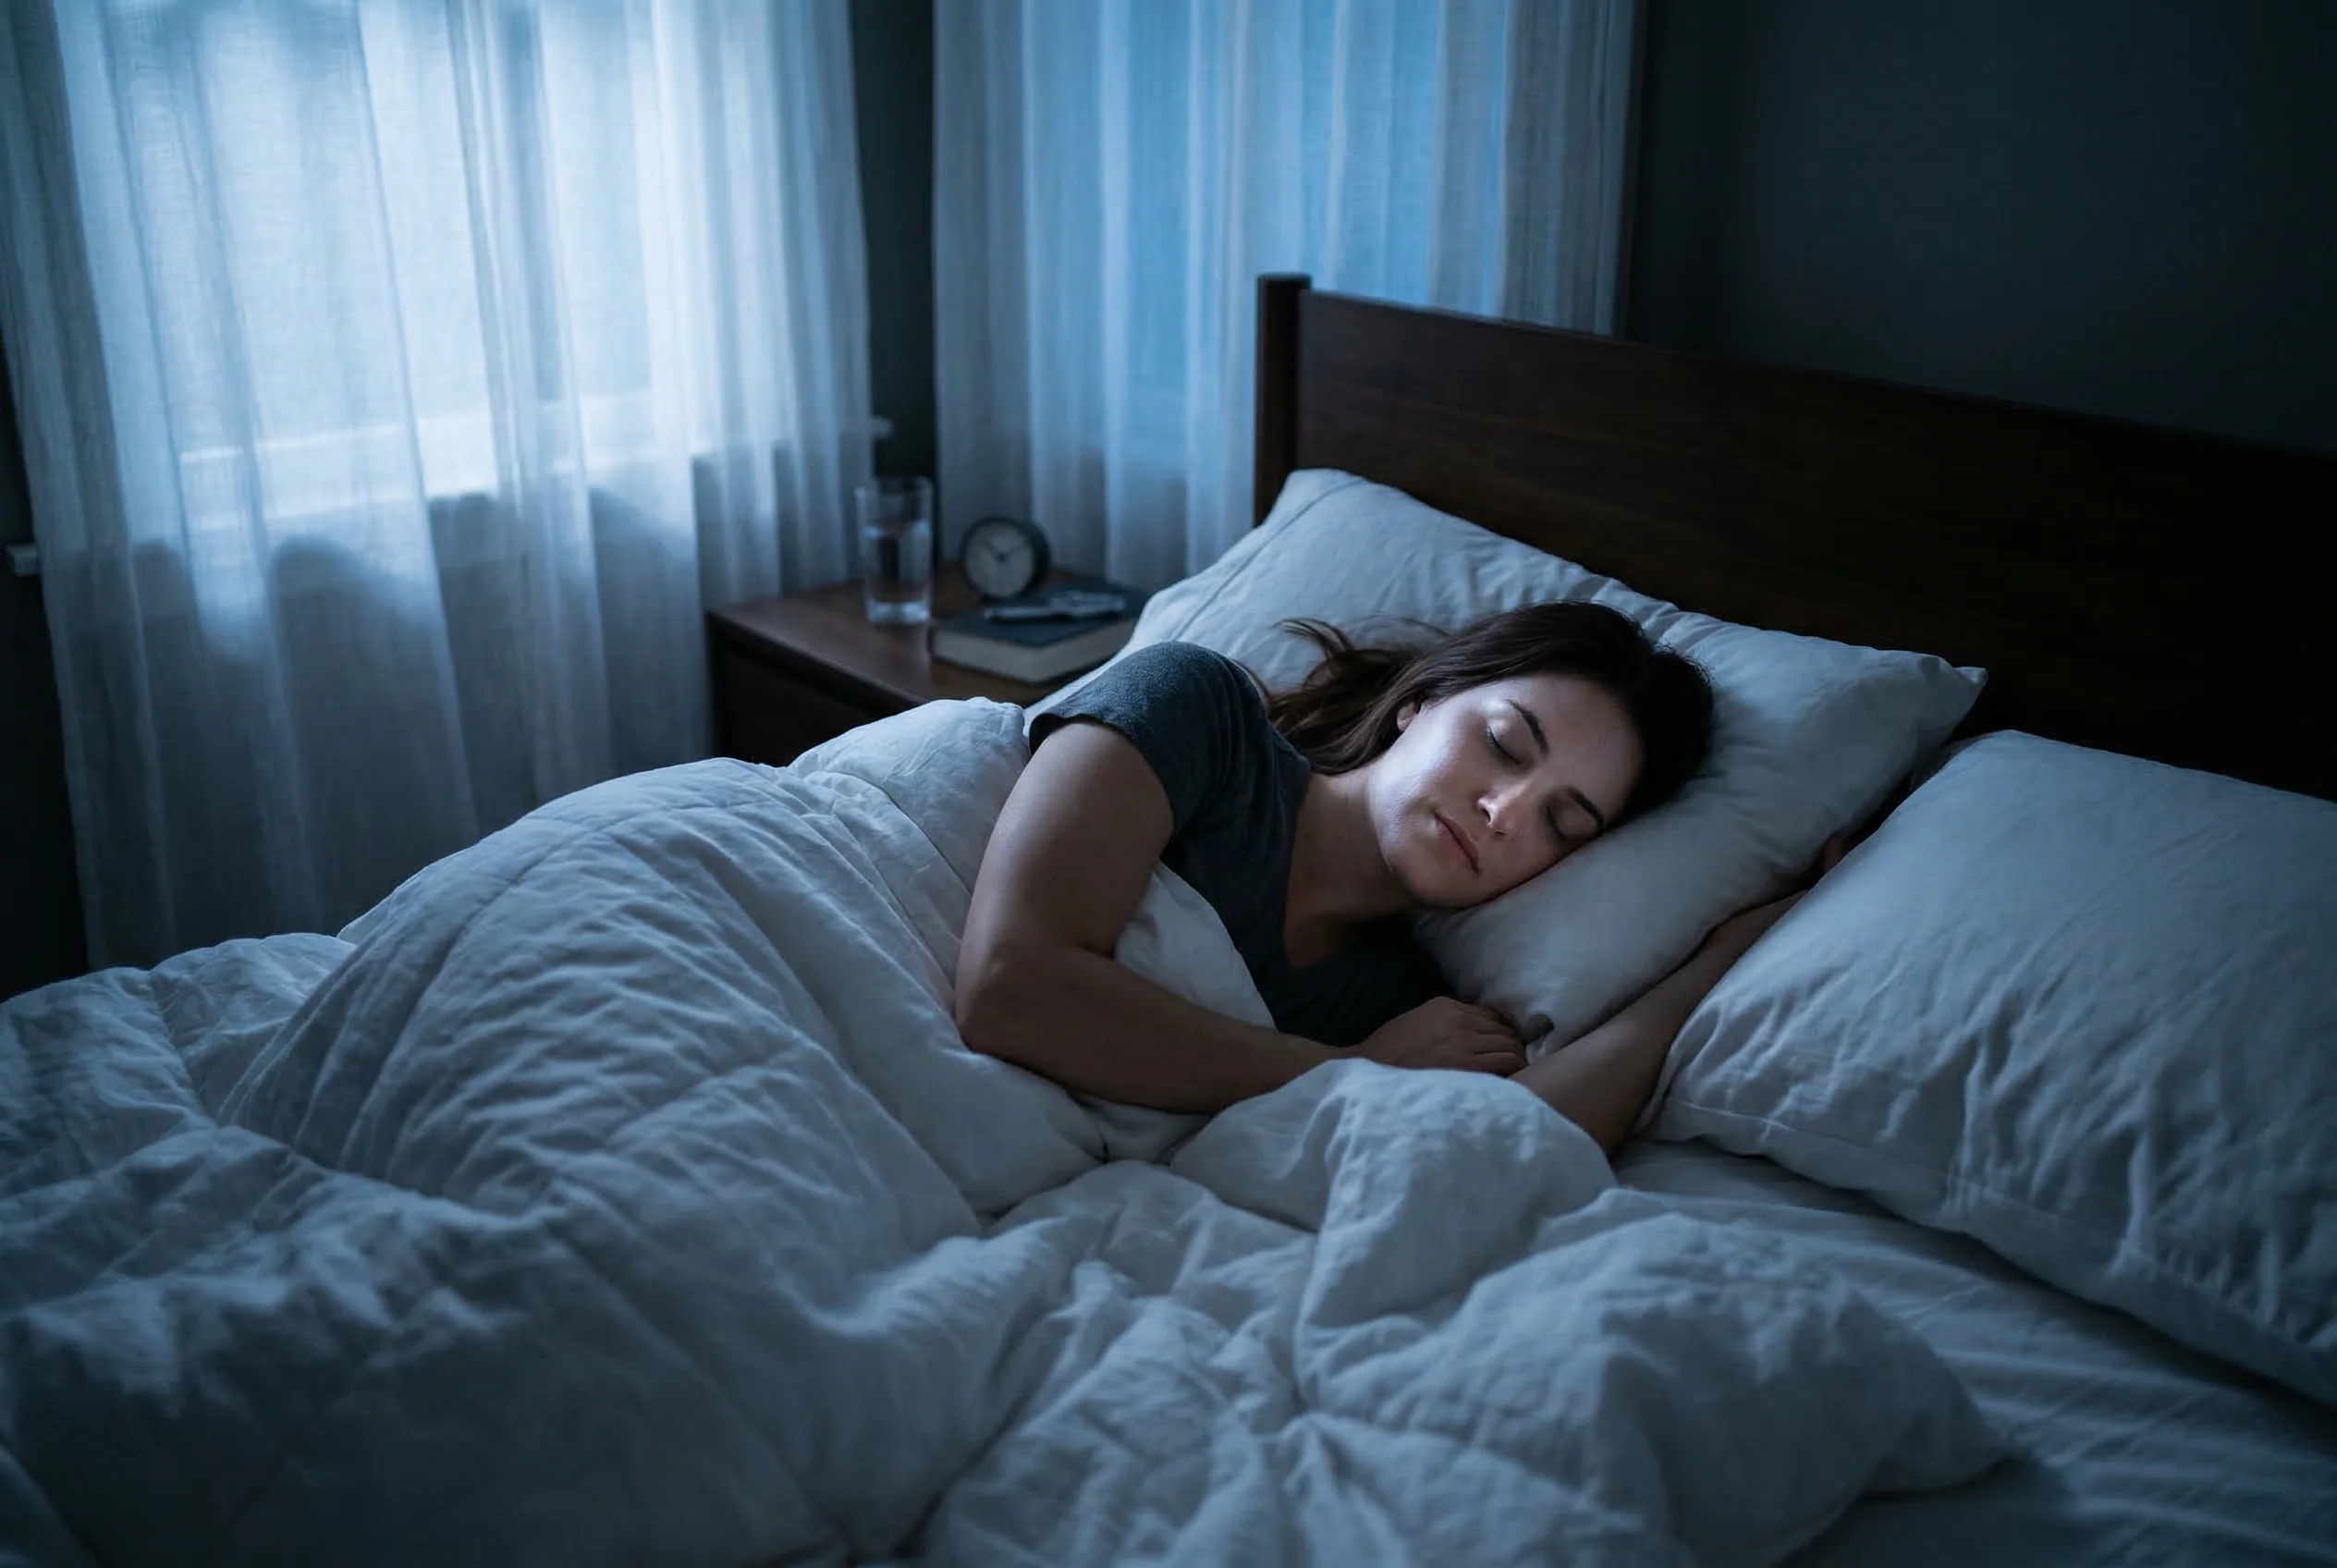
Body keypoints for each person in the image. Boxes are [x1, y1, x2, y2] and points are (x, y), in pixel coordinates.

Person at [954, 603, 1824, 1156]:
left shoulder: (1409, 1005)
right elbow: (1009, 987)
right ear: (1423, 699)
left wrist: (1726, 955)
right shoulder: (1202, 715)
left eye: (1563, 823)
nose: (1506, 811)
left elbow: (1519, 1142)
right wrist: (1350, 1069)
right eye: (1505, 744)